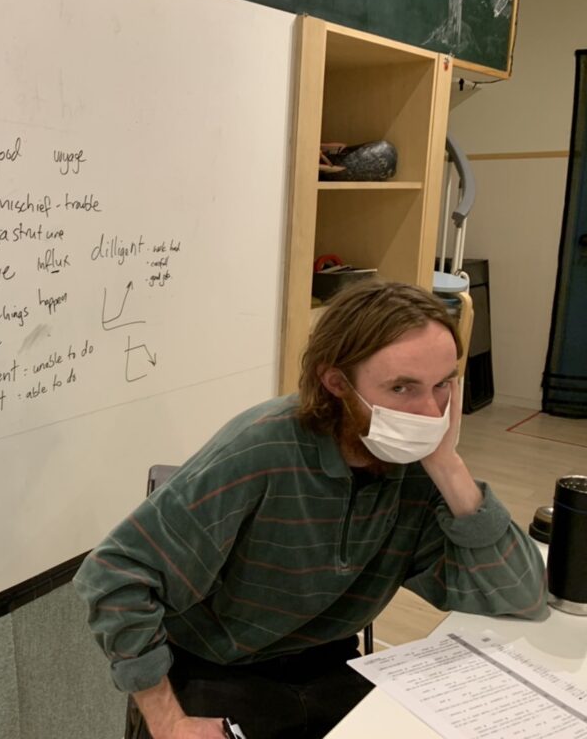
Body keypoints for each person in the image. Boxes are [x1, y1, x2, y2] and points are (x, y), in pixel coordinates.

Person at [73, 280, 547, 739]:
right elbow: (114, 575)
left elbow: (523, 595)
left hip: (330, 666)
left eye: (442, 385)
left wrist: (448, 465)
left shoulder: (419, 466)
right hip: (217, 669)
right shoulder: (261, 449)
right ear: (337, 382)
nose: (429, 412)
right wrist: (168, 722)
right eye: (403, 388)